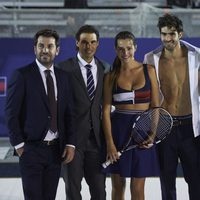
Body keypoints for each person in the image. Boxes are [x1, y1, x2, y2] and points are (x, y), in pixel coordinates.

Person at [5, 29, 76, 200]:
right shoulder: (22, 75)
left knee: (49, 196)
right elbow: (11, 113)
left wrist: (71, 144)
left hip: (56, 150)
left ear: (57, 50)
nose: (45, 50)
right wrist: (20, 146)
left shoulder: (64, 77)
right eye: (41, 46)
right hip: (31, 149)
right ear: (34, 49)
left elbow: (69, 113)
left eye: (50, 46)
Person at [144, 13, 200, 200]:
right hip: (165, 128)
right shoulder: (151, 59)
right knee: (167, 181)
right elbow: (151, 99)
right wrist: (152, 131)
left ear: (180, 34)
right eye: (164, 34)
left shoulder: (196, 56)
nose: (168, 38)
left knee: (196, 180)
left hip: (190, 128)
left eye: (172, 34)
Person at [102, 31, 160, 200]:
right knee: (118, 185)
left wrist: (153, 133)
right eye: (120, 49)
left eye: (129, 48)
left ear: (135, 48)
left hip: (143, 134)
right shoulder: (110, 76)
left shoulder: (149, 70)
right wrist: (110, 144)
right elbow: (105, 111)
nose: (125, 52)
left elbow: (156, 106)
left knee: (138, 187)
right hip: (118, 133)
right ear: (115, 50)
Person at [58, 25, 110, 200]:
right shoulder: (63, 69)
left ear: (98, 44)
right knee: (73, 192)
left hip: (97, 141)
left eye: (93, 42)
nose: (89, 46)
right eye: (84, 42)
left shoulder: (106, 68)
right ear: (77, 43)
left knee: (99, 192)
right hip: (72, 142)